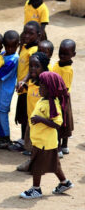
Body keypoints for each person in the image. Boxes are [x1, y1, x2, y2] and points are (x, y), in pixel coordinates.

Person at [19, 70, 73, 199]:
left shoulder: (52, 104)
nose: (39, 87)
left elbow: (57, 123)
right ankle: (65, 183)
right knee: (55, 164)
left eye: (42, 85)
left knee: (36, 166)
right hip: (45, 141)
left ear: (50, 88)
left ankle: (36, 189)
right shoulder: (45, 100)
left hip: (44, 143)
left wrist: (41, 120)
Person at [13, 21, 41, 149]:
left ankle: (27, 141)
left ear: (38, 35)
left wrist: (24, 81)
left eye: (31, 33)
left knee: (27, 115)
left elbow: (32, 70)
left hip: (28, 89)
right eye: (25, 32)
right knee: (23, 115)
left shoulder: (34, 50)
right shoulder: (25, 47)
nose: (27, 36)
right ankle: (24, 138)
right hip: (22, 88)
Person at [0, 30, 20, 149]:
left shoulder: (13, 59)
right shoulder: (4, 53)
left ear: (17, 45)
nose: (9, 49)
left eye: (13, 46)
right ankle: (0, 135)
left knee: (2, 113)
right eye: (7, 46)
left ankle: (6, 137)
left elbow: (0, 73)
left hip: (6, 91)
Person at [50, 39, 75, 155]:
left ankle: (61, 146)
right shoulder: (56, 64)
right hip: (56, 96)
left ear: (73, 55)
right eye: (61, 52)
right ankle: (61, 145)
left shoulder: (68, 70)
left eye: (66, 54)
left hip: (62, 98)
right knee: (60, 122)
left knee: (62, 123)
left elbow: (64, 88)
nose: (62, 56)